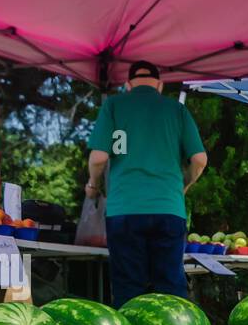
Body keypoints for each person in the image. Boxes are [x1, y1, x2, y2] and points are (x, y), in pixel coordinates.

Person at [86, 61, 209, 308]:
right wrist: (184, 186)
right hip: (168, 208)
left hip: (124, 210)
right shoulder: (177, 110)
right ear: (160, 85)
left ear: (128, 85)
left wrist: (93, 185)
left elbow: (98, 158)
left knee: (128, 285)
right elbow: (199, 159)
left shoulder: (113, 105)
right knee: (170, 282)